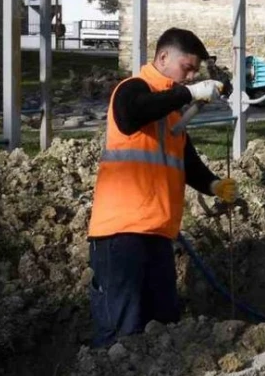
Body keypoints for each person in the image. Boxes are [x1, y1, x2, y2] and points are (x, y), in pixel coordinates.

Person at [87, 27, 239, 347]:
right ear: (163, 57)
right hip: (122, 234)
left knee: (163, 330)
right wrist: (188, 94)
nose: (192, 75)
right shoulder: (132, 90)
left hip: (158, 234)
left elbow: (187, 160)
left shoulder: (170, 114)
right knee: (122, 335)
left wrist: (213, 185)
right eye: (188, 67)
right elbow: (132, 115)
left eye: (196, 71)